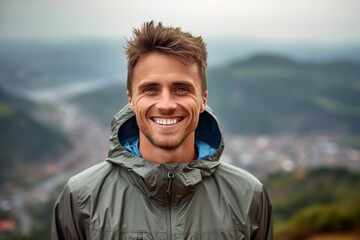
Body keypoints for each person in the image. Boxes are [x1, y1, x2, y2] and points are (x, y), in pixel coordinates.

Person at [52, 21, 273, 240]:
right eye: (150, 89)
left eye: (181, 89)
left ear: (203, 99)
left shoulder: (248, 197)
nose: (166, 104)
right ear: (131, 99)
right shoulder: (81, 198)